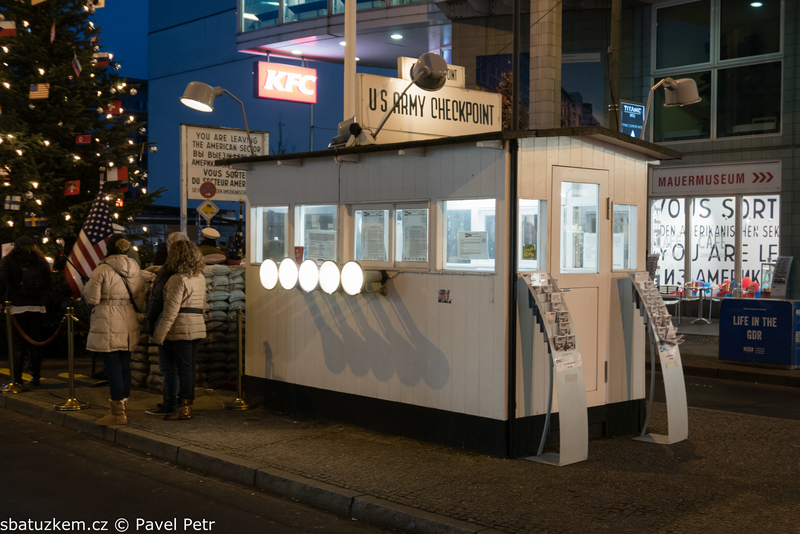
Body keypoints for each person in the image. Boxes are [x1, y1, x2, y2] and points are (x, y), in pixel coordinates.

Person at [84, 235, 146, 426]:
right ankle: (123, 405)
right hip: (128, 319)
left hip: (107, 320)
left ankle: (117, 412)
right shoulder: (135, 268)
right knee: (125, 365)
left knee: (113, 367)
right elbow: (140, 298)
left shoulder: (102, 269)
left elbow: (92, 299)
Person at [152, 240, 206, 421]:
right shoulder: (199, 277)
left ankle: (182, 409)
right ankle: (187, 407)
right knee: (188, 370)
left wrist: (159, 334)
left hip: (180, 328)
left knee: (179, 370)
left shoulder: (177, 279)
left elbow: (170, 311)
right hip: (196, 326)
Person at [144, 232, 189, 415]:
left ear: (171, 248)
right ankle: (185, 405)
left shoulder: (170, 271)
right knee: (184, 368)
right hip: (191, 327)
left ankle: (171, 403)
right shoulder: (195, 270)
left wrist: (152, 326)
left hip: (171, 325)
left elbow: (160, 302)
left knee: (169, 368)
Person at [0, 236, 52, 386]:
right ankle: (35, 376)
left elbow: (2, 281)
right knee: (35, 343)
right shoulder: (40, 261)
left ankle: (16, 379)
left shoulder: (9, 259)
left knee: (17, 344)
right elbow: (48, 283)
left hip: (16, 306)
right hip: (38, 306)